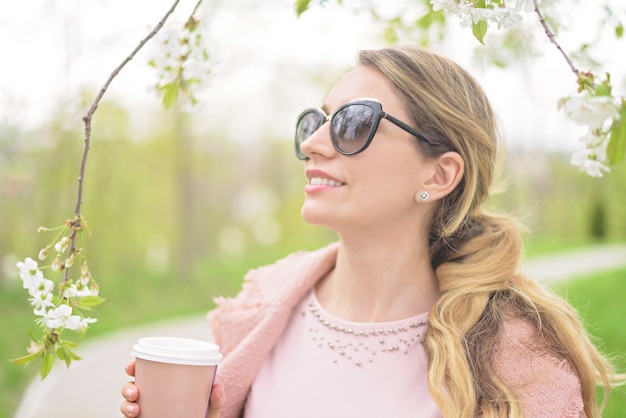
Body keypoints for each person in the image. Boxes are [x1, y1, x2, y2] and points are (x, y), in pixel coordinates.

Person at [121, 45, 620, 417]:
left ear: (439, 175)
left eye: (353, 124)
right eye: (316, 122)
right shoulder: (256, 313)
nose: (314, 144)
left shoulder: (521, 361)